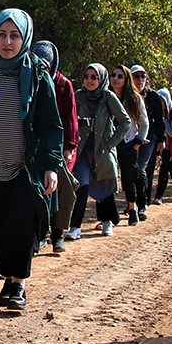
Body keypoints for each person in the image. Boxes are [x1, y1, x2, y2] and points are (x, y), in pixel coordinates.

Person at [0, 11, 63, 309]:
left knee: (21, 223)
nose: (7, 42)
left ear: (25, 38)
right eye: (2, 34)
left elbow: (51, 124)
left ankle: (18, 283)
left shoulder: (38, 73)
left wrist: (51, 165)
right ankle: (7, 276)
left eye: (14, 35)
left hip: (26, 165)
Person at [70, 64, 131, 236]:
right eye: (86, 76)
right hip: (82, 151)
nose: (89, 81)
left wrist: (111, 142)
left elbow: (125, 122)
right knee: (80, 186)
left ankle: (107, 222)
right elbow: (68, 118)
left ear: (101, 79)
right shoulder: (77, 96)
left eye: (94, 77)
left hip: (102, 150)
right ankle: (75, 227)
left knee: (104, 187)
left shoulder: (108, 97)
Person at [33, 41, 79, 253]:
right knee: (39, 189)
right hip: (35, 145)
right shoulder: (28, 80)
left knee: (61, 188)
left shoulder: (62, 85)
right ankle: (41, 233)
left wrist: (68, 147)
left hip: (60, 146)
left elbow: (69, 118)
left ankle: (58, 233)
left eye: (46, 65)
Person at [111, 66, 150, 224]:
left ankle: (132, 208)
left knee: (129, 179)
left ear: (126, 79)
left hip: (128, 144)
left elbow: (144, 124)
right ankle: (109, 216)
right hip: (110, 143)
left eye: (120, 76)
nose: (116, 78)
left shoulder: (134, 99)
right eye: (113, 75)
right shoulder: (107, 97)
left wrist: (137, 142)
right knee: (108, 178)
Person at [133, 65, 165, 210]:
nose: (140, 79)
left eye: (143, 76)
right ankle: (132, 203)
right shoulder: (125, 94)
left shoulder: (153, 96)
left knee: (142, 168)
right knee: (132, 170)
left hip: (149, 138)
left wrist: (161, 139)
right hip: (130, 137)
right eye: (136, 76)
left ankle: (143, 203)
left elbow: (159, 119)